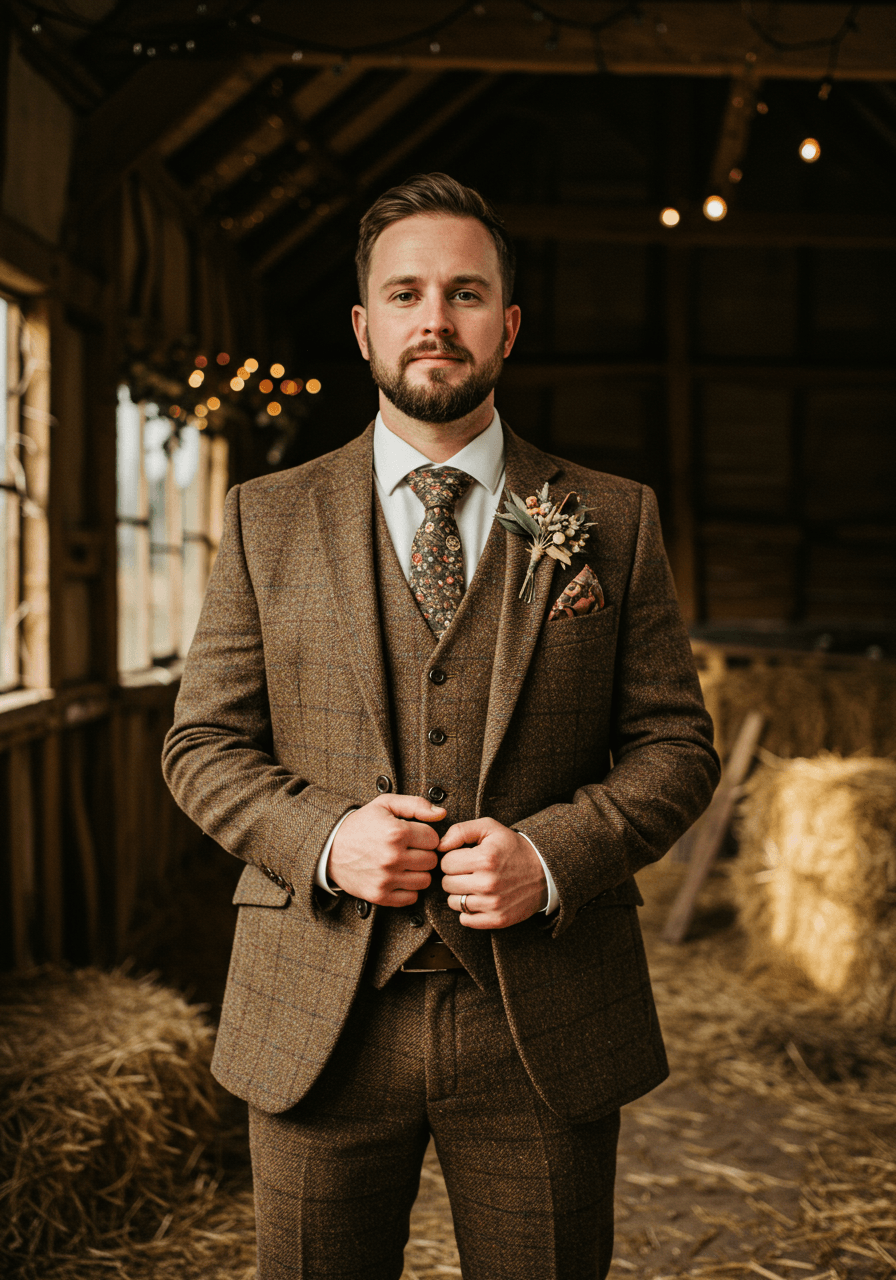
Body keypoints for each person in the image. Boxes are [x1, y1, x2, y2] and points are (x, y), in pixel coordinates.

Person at [162, 172, 719, 1280]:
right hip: (317, 1015)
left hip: (542, 1019)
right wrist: (325, 837)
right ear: (364, 325)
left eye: (464, 293)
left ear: (506, 324)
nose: (434, 318)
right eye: (405, 292)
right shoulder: (264, 518)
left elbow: (675, 746)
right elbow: (201, 746)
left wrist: (552, 857)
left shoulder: (611, 517)